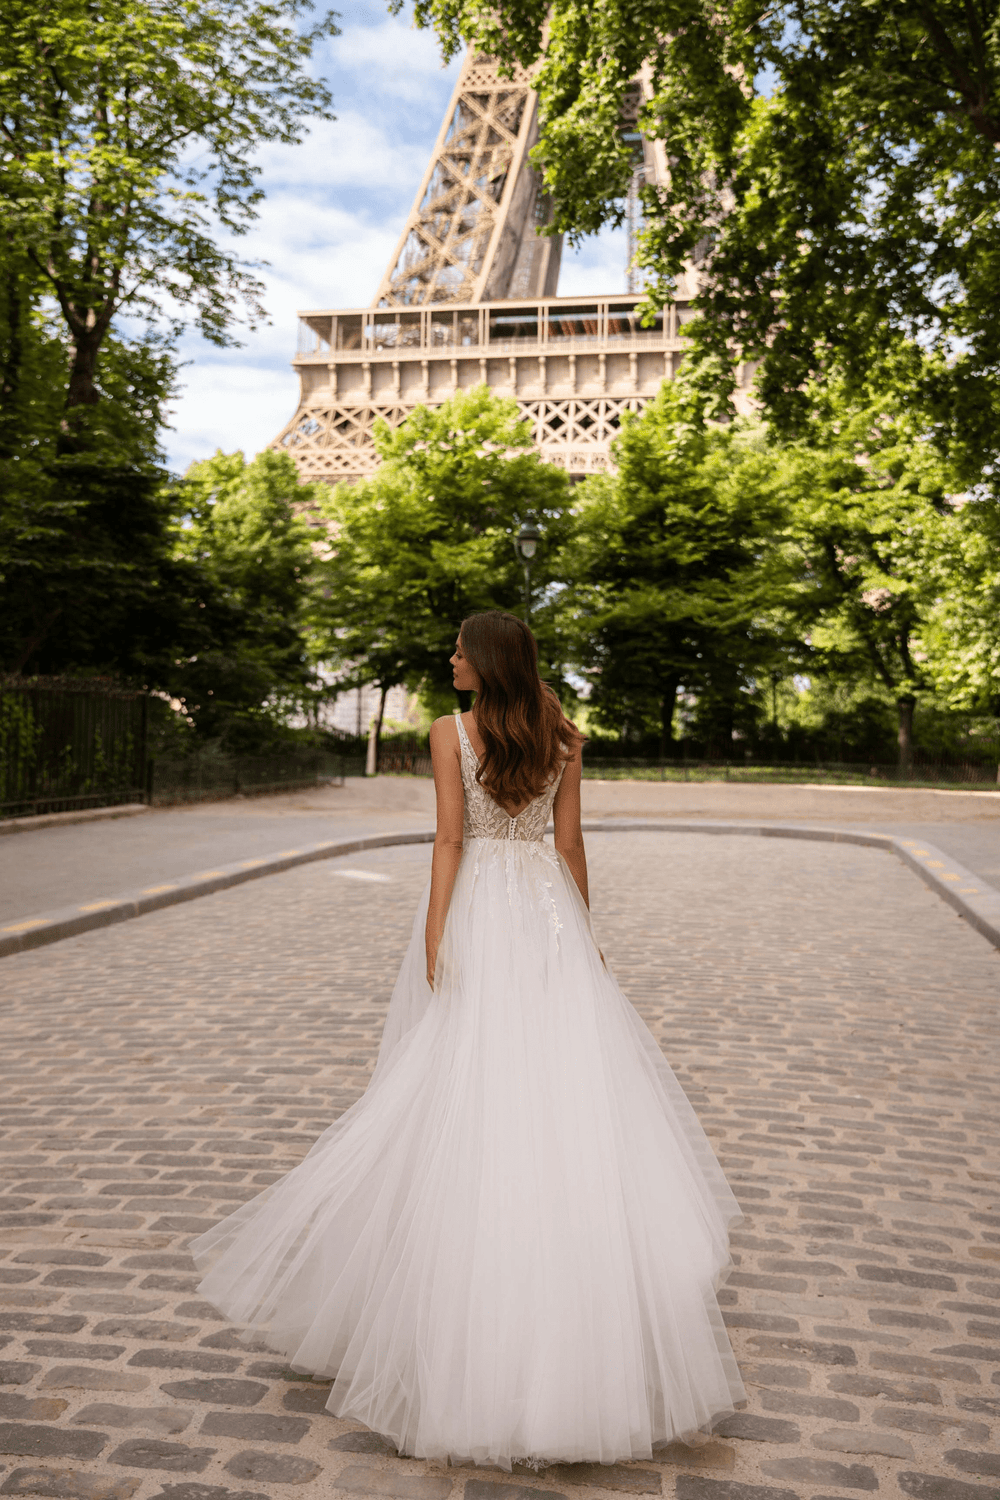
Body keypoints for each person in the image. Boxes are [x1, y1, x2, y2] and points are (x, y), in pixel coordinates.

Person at [191, 610, 746, 1470]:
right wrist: (585, 935)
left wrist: (435, 934)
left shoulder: (449, 734)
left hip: (482, 908)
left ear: (486, 660)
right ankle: (573, 1321)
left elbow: (450, 838)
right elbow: (569, 844)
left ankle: (460, 1318)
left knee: (459, 1086)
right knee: (559, 1093)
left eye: (457, 649)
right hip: (548, 919)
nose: (449, 659)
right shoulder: (563, 734)